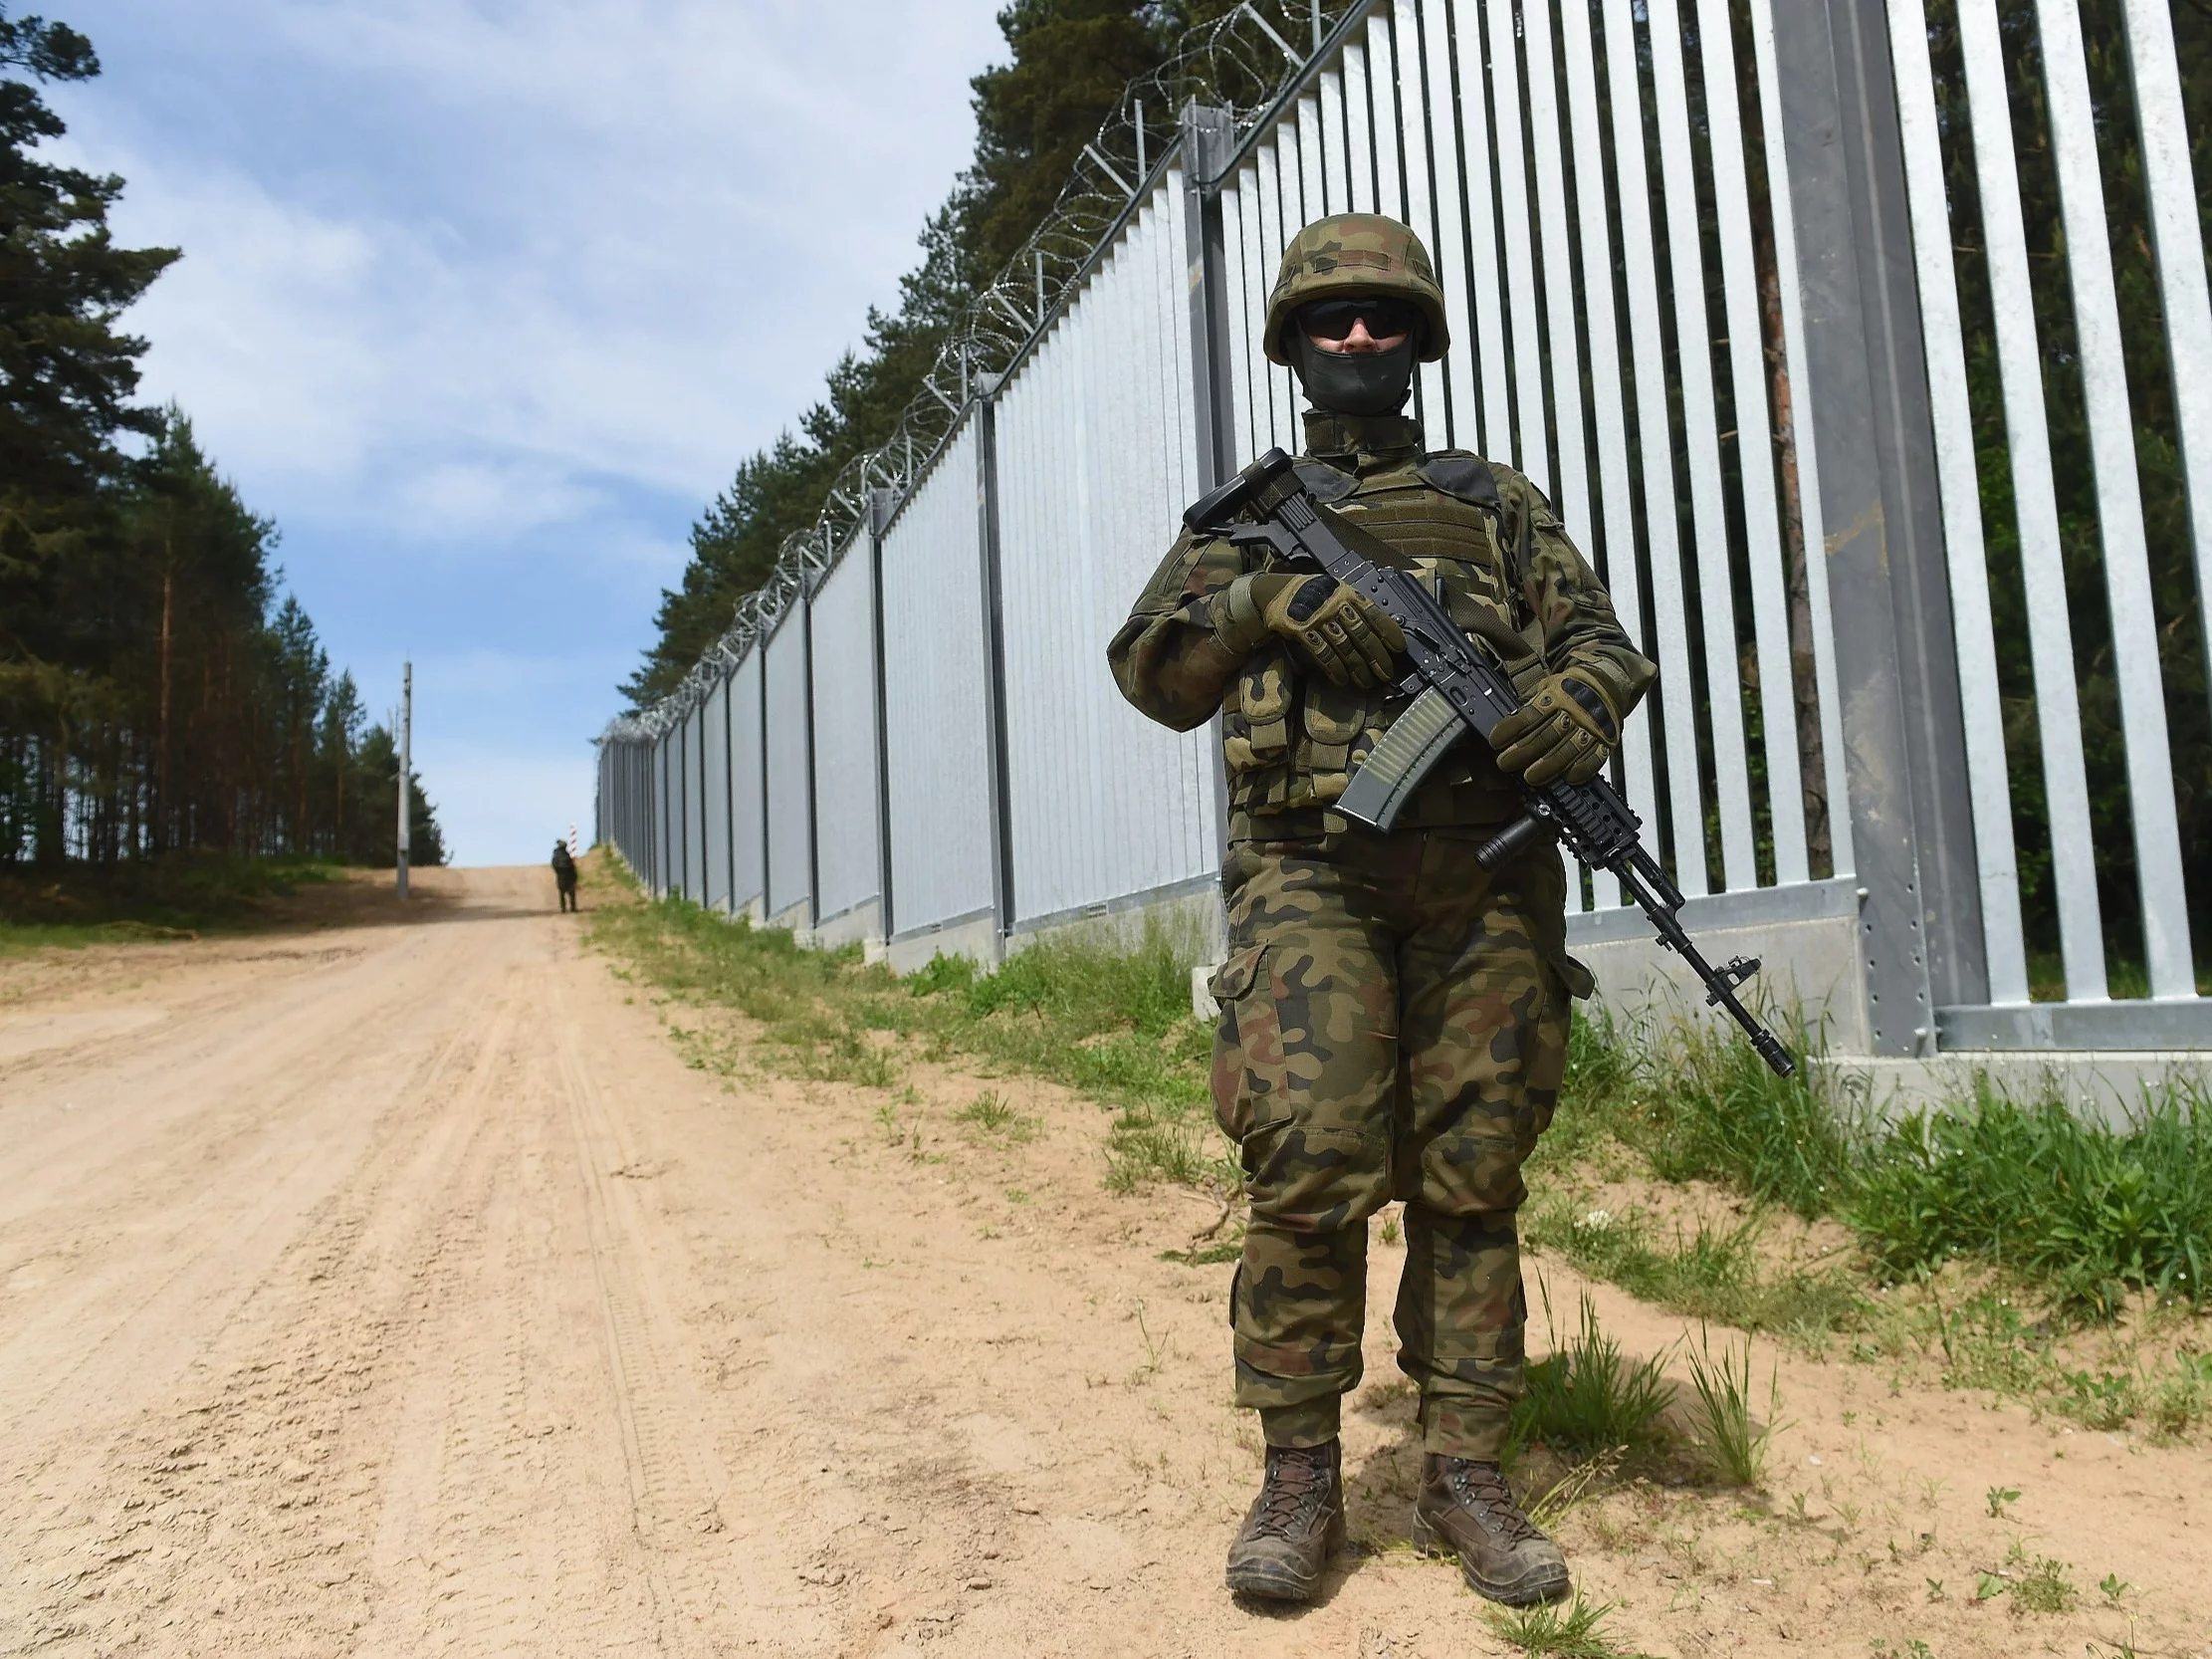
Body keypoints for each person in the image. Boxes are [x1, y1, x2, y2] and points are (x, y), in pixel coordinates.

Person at [1107, 214, 1655, 1609]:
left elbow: (1600, 641)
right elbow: (1151, 673)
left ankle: (1465, 1469)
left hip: (1483, 875)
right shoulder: (1241, 523)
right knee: (1308, 1159)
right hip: (1310, 873)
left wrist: (1574, 703)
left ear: (1420, 339)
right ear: (1291, 343)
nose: (1357, 335)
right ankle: (1299, 1477)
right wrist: (1264, 606)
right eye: (1330, 317)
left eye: (1383, 316)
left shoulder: (1493, 502)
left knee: (1473, 1173)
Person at [552, 840, 578, 912]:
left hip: (561, 876)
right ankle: (573, 907)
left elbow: (554, 865)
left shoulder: (556, 854)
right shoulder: (567, 855)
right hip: (569, 876)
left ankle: (563, 908)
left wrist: (558, 872)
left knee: (562, 893)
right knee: (571, 893)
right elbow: (572, 867)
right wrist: (575, 877)